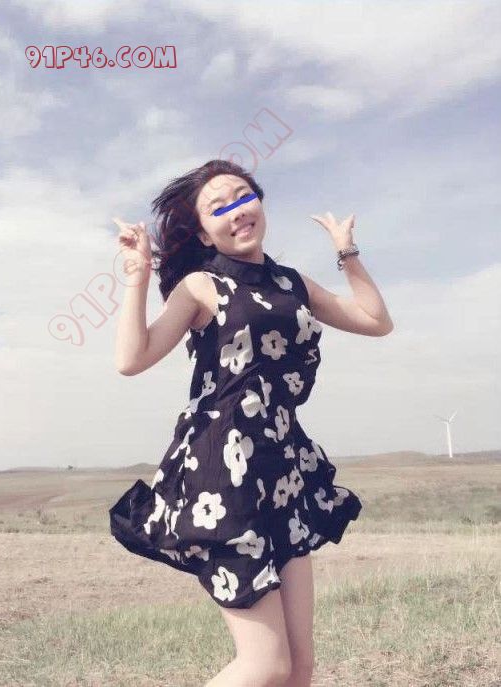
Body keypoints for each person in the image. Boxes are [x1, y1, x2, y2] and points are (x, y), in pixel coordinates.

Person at [109, 159, 394, 687]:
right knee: (266, 664)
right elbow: (132, 358)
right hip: (223, 472)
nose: (237, 211)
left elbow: (376, 321)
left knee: (299, 667)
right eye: (219, 207)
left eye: (244, 197)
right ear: (202, 232)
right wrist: (138, 278)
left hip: (284, 468)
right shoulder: (201, 286)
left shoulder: (292, 283)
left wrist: (347, 252)